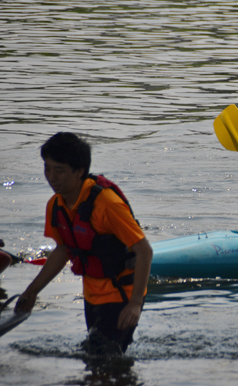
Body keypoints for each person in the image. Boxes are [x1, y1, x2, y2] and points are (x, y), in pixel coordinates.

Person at [15, 132, 153, 354]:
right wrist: (32, 291)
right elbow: (63, 250)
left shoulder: (107, 204)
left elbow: (144, 251)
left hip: (121, 295)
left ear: (79, 171)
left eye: (59, 170)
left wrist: (135, 303)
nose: (51, 176)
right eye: (47, 168)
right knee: (102, 359)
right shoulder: (56, 205)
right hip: (92, 294)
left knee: (101, 360)